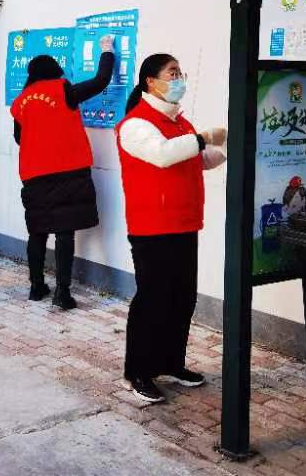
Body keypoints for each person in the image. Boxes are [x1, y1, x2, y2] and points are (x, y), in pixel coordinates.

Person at [116, 54, 227, 403]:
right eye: (172, 73)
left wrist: (227, 147)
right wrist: (204, 137)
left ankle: (171, 363)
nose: (179, 79)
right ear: (151, 81)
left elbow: (198, 159)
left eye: (181, 73)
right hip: (152, 227)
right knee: (153, 299)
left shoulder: (179, 122)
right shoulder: (135, 124)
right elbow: (163, 154)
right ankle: (138, 371)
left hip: (184, 223)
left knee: (181, 298)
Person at [10, 36, 116, 309]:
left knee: (37, 232)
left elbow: (20, 138)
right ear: (55, 70)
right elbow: (101, 81)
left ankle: (36, 287)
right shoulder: (63, 90)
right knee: (64, 233)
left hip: (34, 175)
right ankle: (62, 293)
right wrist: (107, 50)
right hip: (68, 172)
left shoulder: (21, 102)